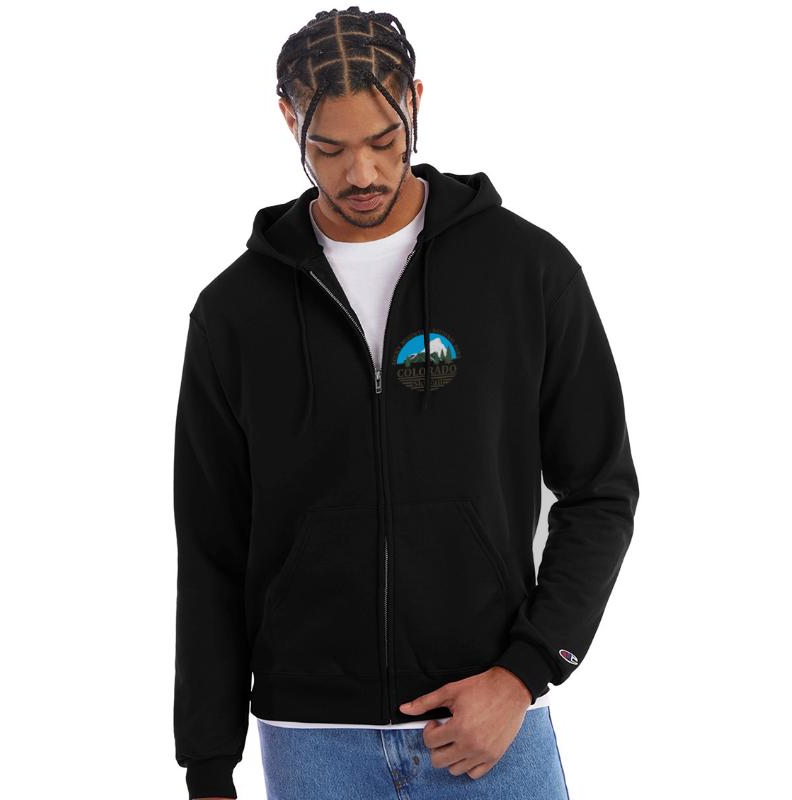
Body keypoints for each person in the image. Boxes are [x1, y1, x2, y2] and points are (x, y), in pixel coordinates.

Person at [172, 6, 639, 799]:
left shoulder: (526, 272)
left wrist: (526, 671)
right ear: (288, 117)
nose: (361, 173)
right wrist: (209, 764)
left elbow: (601, 491)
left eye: (385, 141)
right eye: (329, 148)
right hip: (311, 742)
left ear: (415, 101)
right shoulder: (235, 313)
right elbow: (212, 544)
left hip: (489, 726)